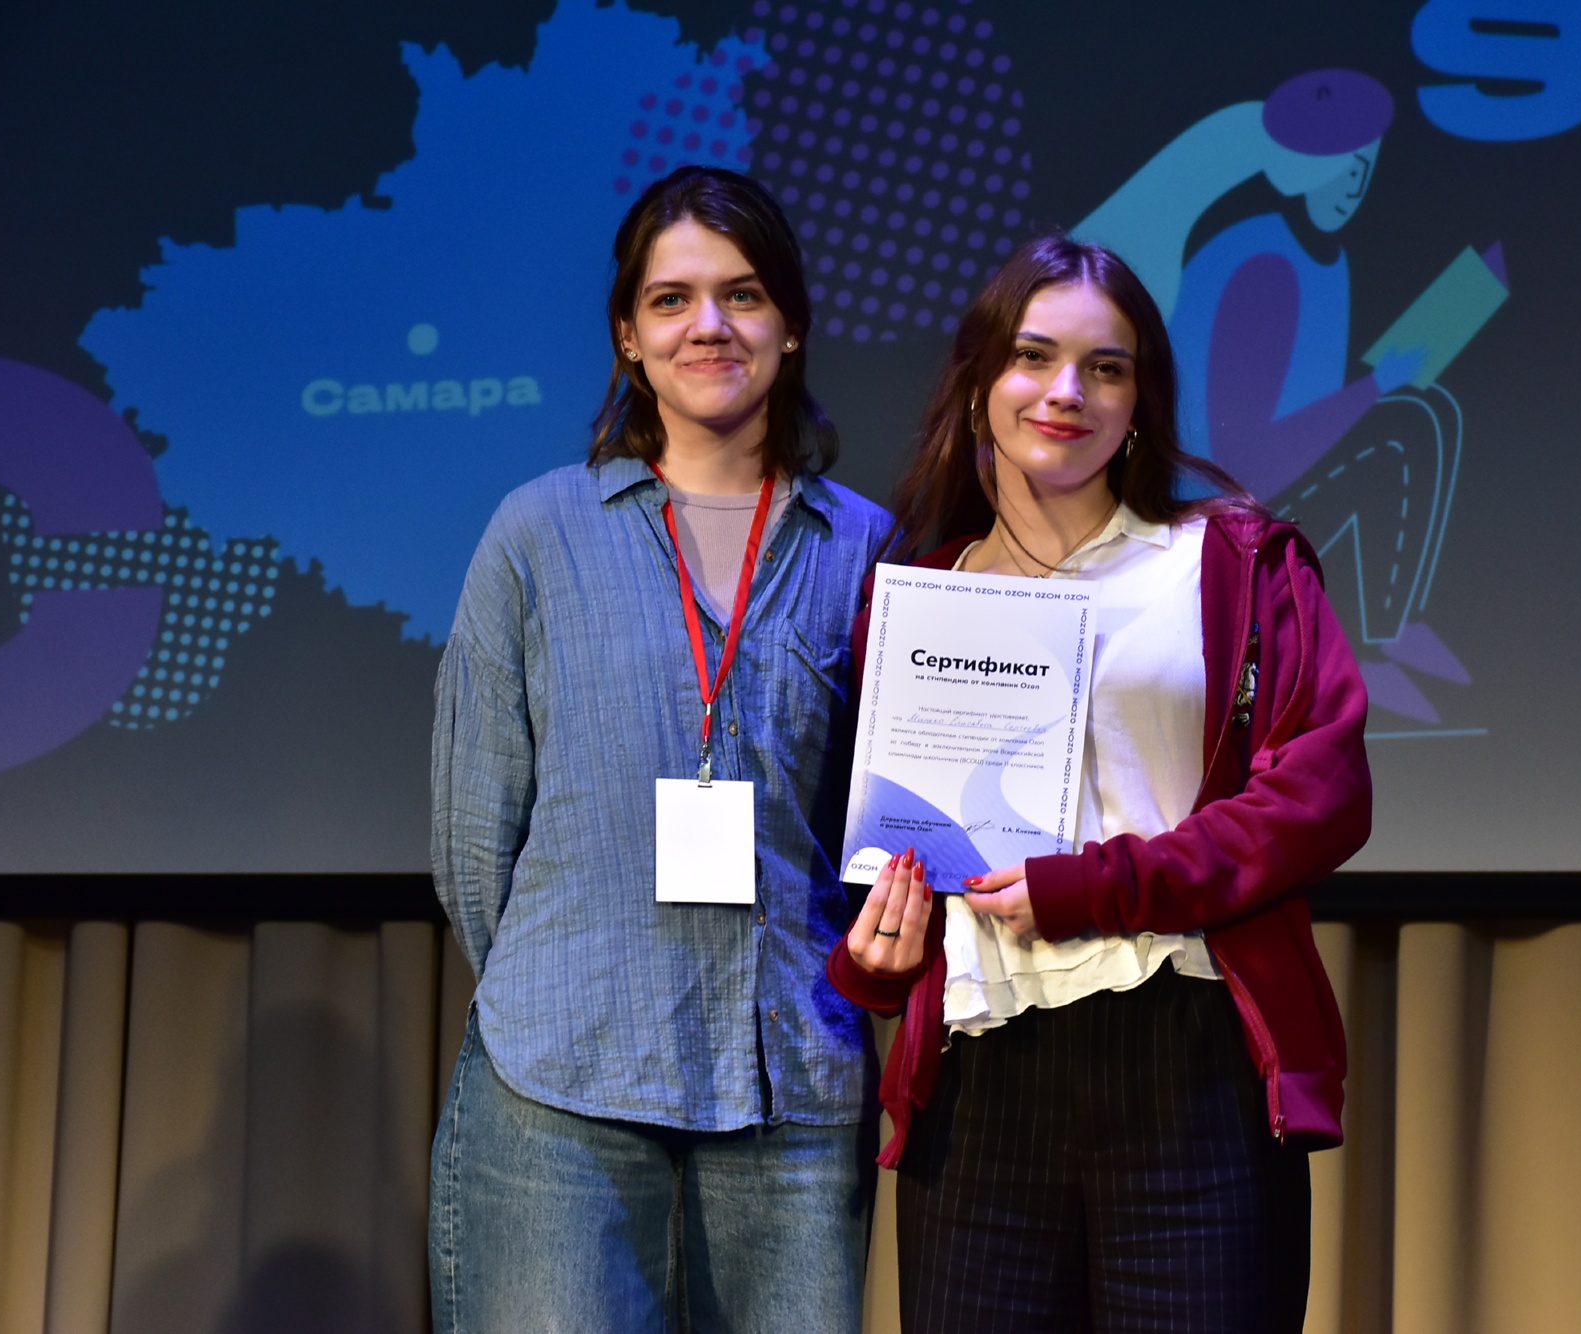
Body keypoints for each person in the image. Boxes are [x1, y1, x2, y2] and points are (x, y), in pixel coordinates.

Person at [827, 235, 1372, 1332]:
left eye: (1104, 367)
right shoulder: (917, 595)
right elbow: (888, 861)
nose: (1065, 391)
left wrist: (1092, 887)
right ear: (979, 383)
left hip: (1189, 1063)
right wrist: (875, 956)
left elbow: (1320, 795)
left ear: (1139, 402)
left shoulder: (1229, 564)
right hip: (978, 1084)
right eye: (1032, 356)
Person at [429, 165, 892, 1333]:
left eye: (742, 294)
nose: (708, 325)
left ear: (790, 325)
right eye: (671, 299)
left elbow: (880, 832)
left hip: (788, 1082)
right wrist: (572, 974)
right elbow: (473, 829)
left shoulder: (866, 550)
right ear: (628, 336)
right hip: (559, 1084)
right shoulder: (537, 532)